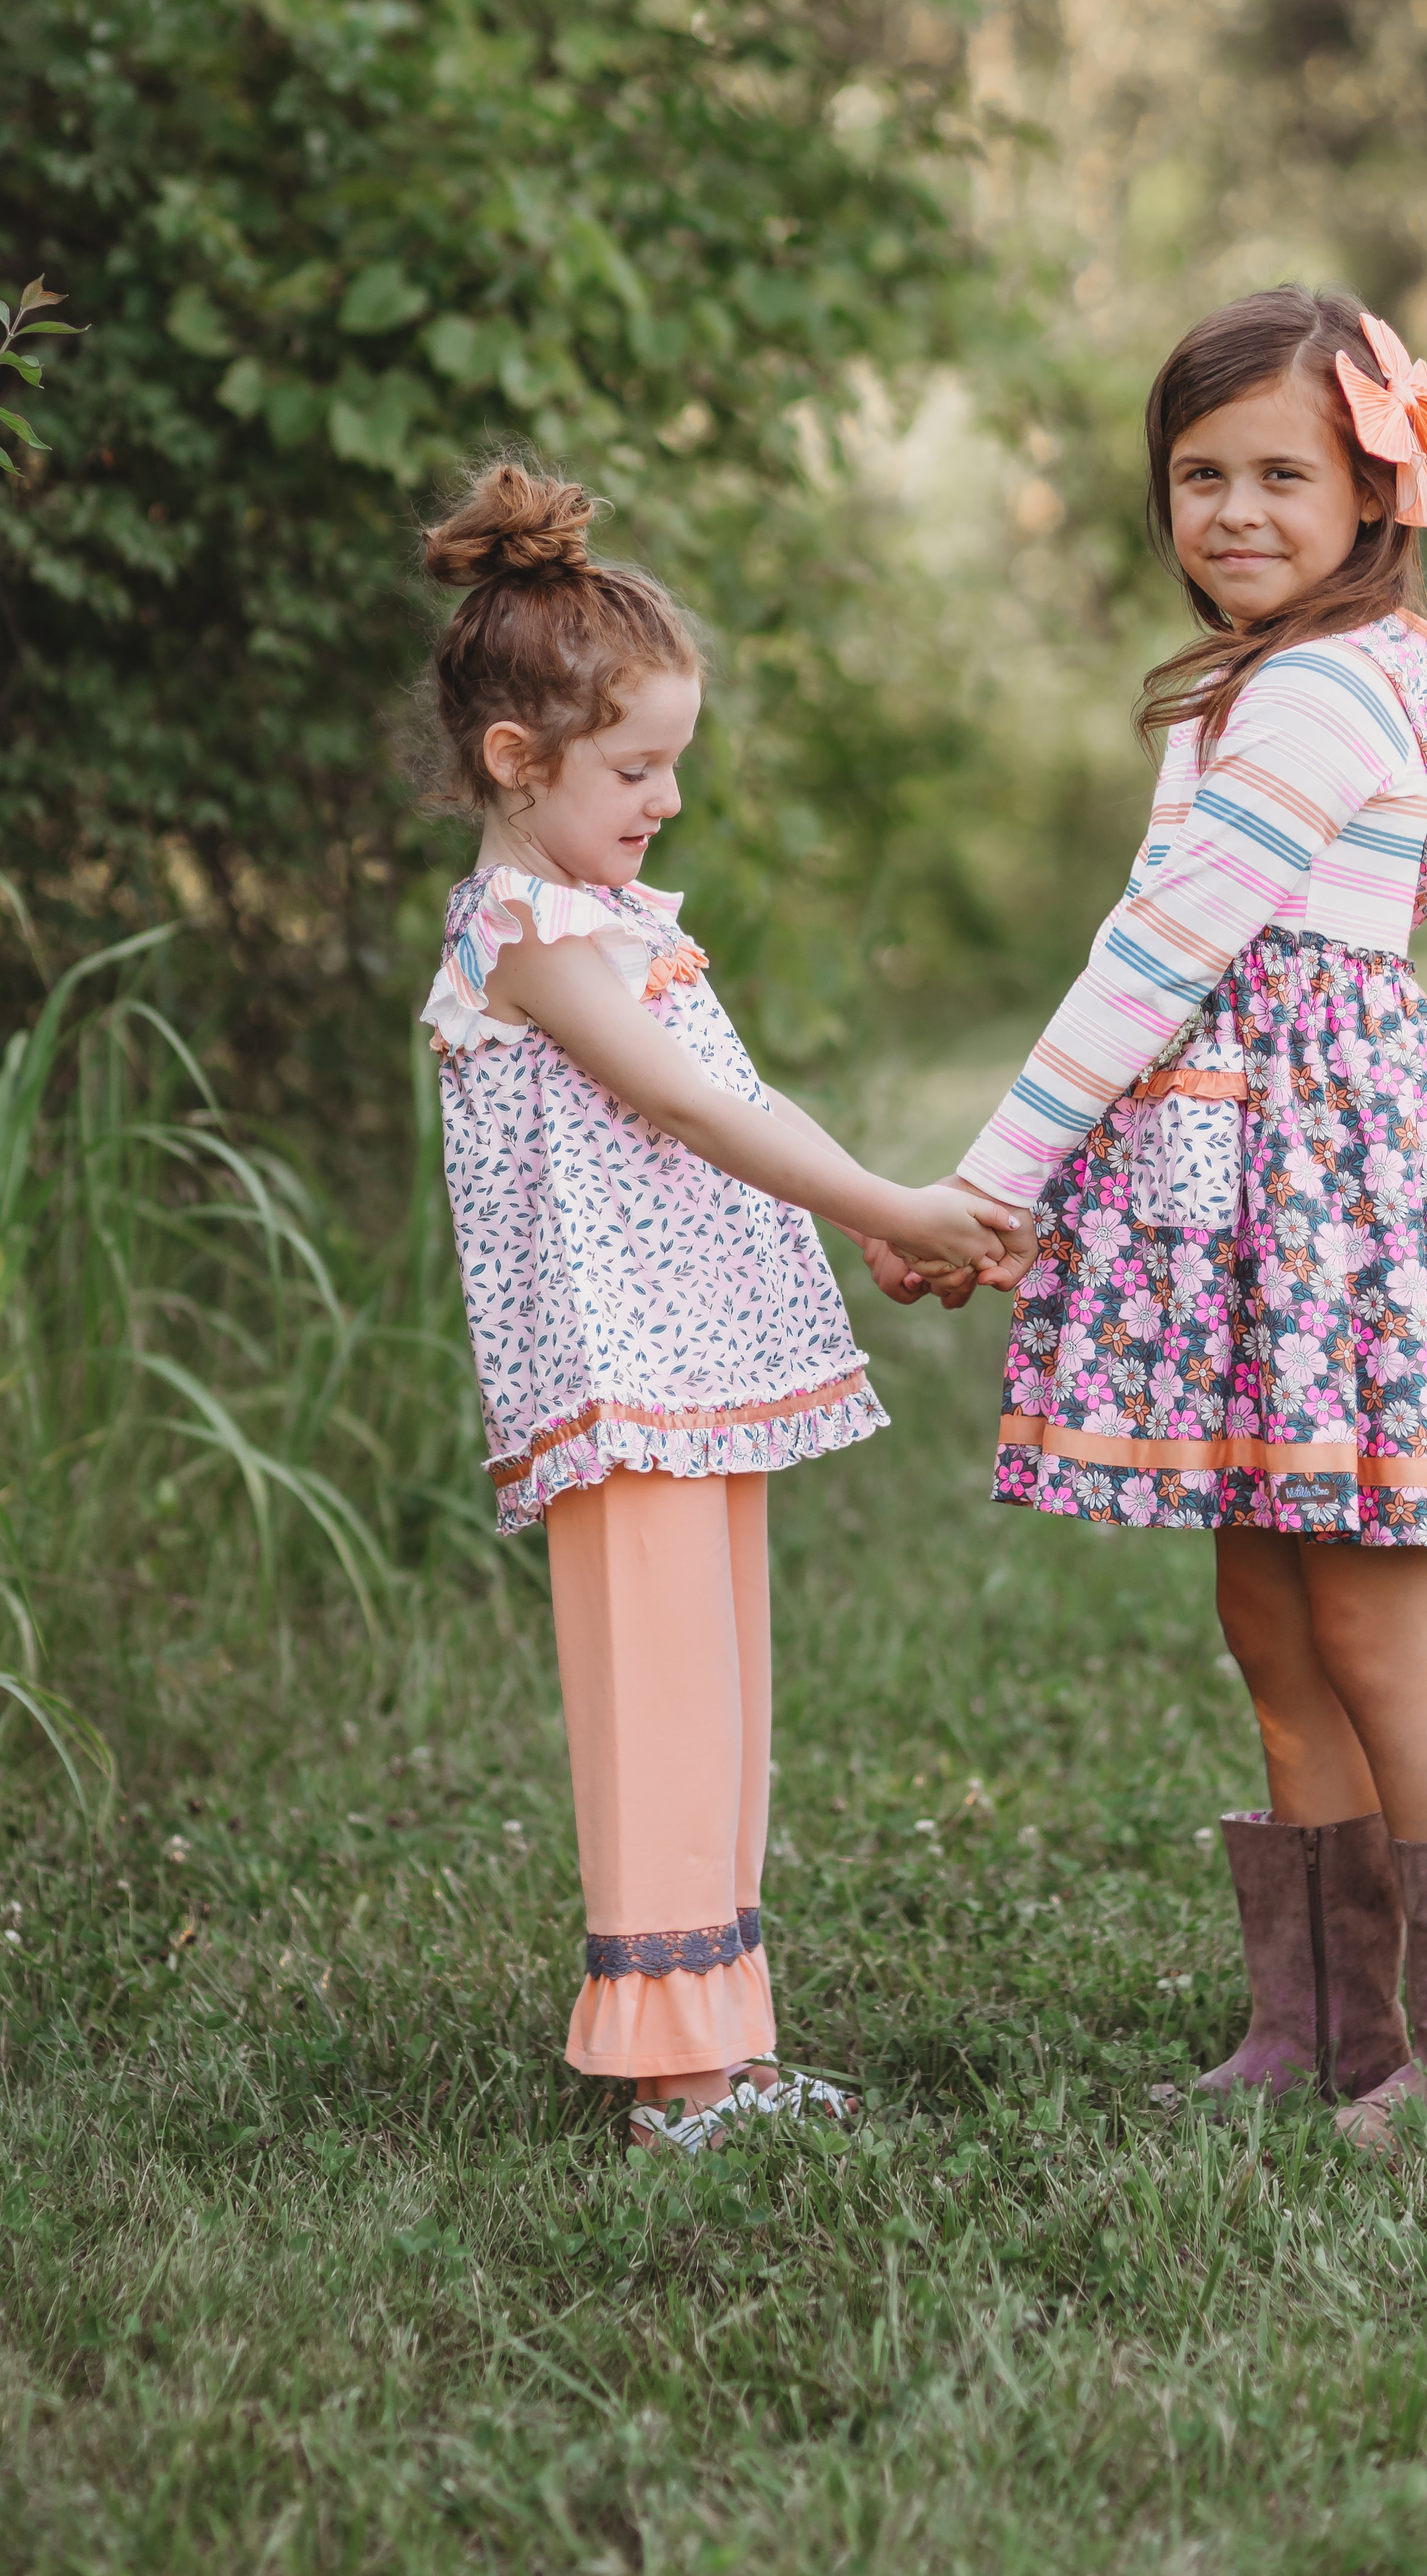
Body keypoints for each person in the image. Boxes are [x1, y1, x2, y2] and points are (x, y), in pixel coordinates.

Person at [880, 286, 1427, 2142]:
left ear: (1377, 490)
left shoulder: (1329, 692)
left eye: (1284, 472)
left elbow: (1162, 951)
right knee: (1268, 1620)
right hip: (1242, 1197)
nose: (1236, 510)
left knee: (1371, 1630)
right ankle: (1322, 2021)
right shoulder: (1259, 684)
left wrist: (984, 1187)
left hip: (1326, 1201)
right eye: (1199, 475)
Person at [417, 459, 1025, 2153]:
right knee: (663, 1702)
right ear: (513, 765)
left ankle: (725, 2048)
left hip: (694, 1374)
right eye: (636, 768)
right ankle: (673, 2068)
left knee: (726, 1698)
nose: (668, 797)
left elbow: (739, 1107)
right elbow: (691, 1113)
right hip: (621, 1385)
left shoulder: (609, 916)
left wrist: (882, 1224)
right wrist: (886, 1205)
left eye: (675, 762)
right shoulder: (532, 939)